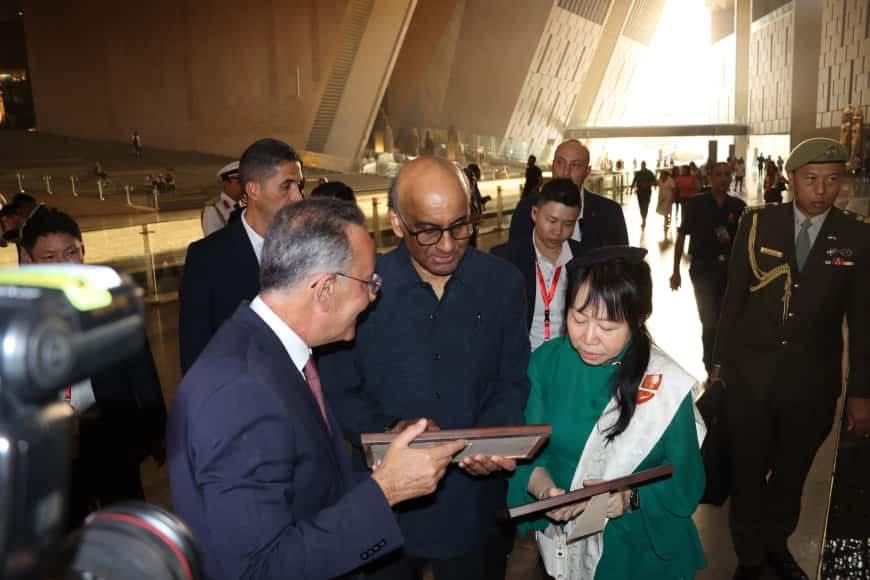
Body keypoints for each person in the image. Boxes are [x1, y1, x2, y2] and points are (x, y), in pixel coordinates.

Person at [169, 198, 467, 580]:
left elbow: (310, 490)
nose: (373, 296)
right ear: (325, 289)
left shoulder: (268, 353)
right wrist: (386, 490)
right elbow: (258, 569)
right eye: (368, 283)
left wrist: (390, 466)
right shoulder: (240, 393)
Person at [319, 156, 530, 580]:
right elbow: (339, 392)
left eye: (460, 226)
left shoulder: (503, 284)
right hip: (386, 501)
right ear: (397, 223)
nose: (448, 245)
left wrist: (492, 437)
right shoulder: (359, 289)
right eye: (429, 231)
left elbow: (511, 380)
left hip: (474, 501)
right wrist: (390, 430)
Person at [713, 138, 870, 580]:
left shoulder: (857, 234)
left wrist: (861, 392)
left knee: (791, 472)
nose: (821, 190)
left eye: (832, 180)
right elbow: (733, 299)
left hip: (812, 383)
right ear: (791, 178)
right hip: (750, 378)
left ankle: (775, 543)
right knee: (748, 471)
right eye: (811, 179)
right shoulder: (758, 224)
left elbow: (863, 321)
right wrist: (719, 365)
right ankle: (749, 558)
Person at [507, 246, 706, 580]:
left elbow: (687, 479)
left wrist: (629, 497)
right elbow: (525, 451)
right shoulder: (547, 363)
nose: (588, 338)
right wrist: (545, 491)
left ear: (638, 320)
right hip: (568, 544)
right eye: (578, 318)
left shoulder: (662, 383)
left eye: (607, 327)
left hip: (641, 550)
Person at [20, 208, 167, 529]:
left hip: (109, 429)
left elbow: (142, 371)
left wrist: (158, 430)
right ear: (29, 261)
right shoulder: (18, 317)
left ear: (83, 250)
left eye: (71, 253)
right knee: (66, 526)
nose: (63, 264)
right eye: (49, 258)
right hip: (50, 442)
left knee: (124, 517)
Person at [178, 138, 304, 374]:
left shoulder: (310, 247)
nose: (298, 197)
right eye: (286, 186)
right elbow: (195, 354)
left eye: (299, 185)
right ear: (254, 190)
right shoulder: (207, 259)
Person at [491, 178, 585, 351]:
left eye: (568, 224)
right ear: (535, 213)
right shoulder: (506, 259)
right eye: (552, 221)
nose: (558, 231)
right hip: (524, 358)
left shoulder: (584, 260)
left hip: (570, 357)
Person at [670, 162, 745, 372]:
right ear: (709, 178)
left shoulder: (738, 206)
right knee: (709, 318)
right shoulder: (696, 204)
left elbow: (746, 242)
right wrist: (675, 271)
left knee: (726, 317)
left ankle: (723, 361)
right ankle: (710, 363)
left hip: (729, 270)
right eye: (718, 174)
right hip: (703, 269)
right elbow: (681, 236)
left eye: (727, 174)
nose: (723, 179)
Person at [509, 140, 628, 249]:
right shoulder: (526, 208)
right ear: (552, 166)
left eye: (575, 165)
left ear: (587, 171)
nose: (566, 172)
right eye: (560, 163)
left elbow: (621, 263)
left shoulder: (610, 212)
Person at [201, 160, 243, 236]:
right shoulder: (213, 209)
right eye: (239, 182)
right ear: (225, 183)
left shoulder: (243, 205)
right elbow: (213, 240)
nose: (244, 186)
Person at [631, 161, 657, 229]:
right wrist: (631, 188)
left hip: (647, 191)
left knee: (646, 205)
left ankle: (644, 218)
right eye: (642, 165)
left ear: (645, 165)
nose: (642, 166)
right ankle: (643, 217)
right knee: (641, 205)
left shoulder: (649, 173)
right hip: (640, 192)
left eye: (643, 165)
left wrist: (649, 184)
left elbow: (654, 181)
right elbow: (634, 181)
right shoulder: (638, 173)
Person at [656, 169, 676, 237]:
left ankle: (666, 222)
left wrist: (673, 197)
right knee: (663, 209)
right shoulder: (660, 179)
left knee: (666, 209)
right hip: (661, 196)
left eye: (663, 174)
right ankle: (667, 219)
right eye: (661, 174)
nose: (662, 175)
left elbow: (673, 188)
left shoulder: (670, 180)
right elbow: (656, 184)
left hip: (668, 196)